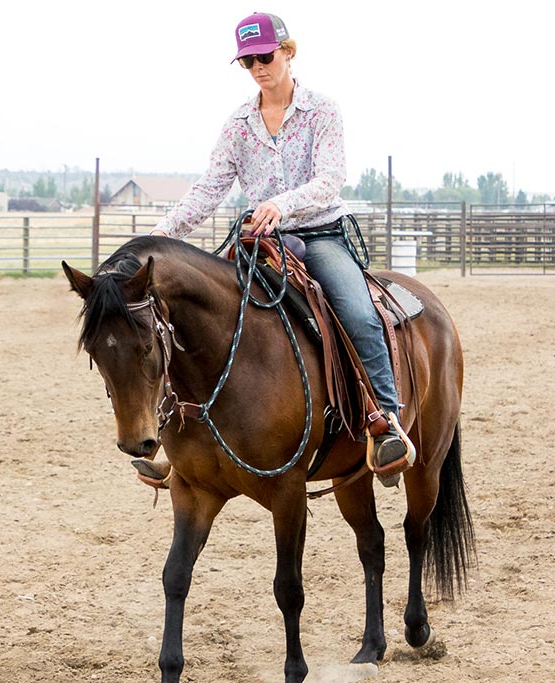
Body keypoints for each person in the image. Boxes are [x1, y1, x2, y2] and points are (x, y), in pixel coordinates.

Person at [135, 11, 408, 487]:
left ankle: (385, 422)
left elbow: (330, 180)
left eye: (265, 56)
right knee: (194, 317)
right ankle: (178, 439)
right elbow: (209, 189)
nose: (258, 67)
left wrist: (281, 204)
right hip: (260, 242)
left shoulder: (322, 110)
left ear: (288, 51)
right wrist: (158, 237)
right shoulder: (238, 124)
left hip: (319, 236)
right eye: (248, 62)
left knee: (358, 313)